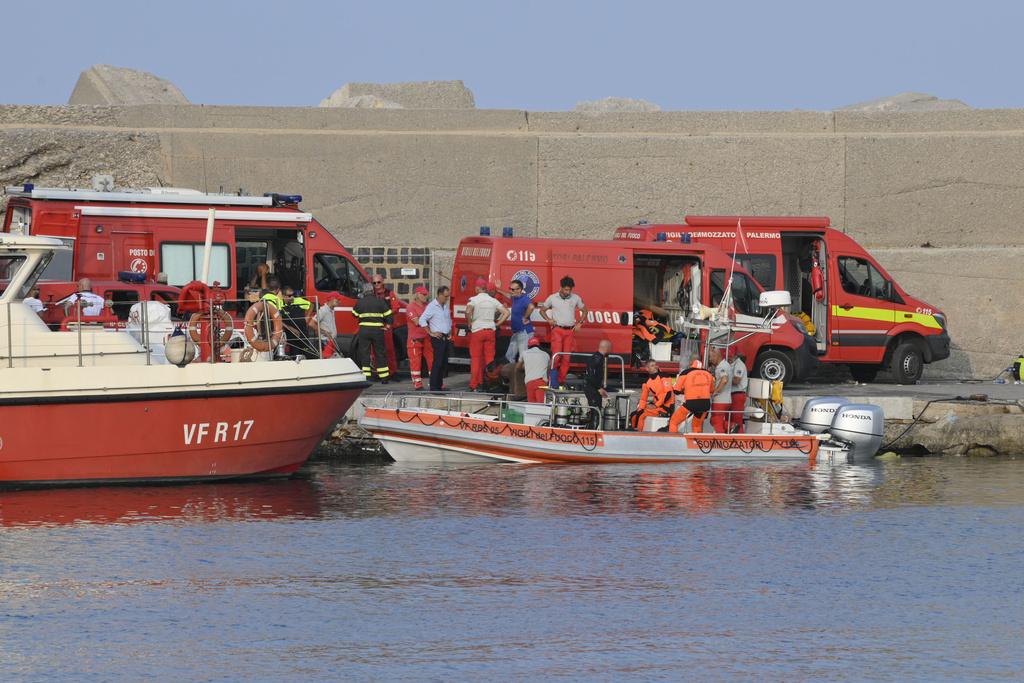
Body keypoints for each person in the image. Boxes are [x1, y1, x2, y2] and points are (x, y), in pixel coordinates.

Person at [539, 275, 586, 388]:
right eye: (566, 289)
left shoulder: (575, 298)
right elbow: (542, 310)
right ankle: (552, 380)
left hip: (570, 331)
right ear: (561, 287)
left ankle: (561, 381)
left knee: (566, 358)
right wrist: (548, 320)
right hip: (557, 330)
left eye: (569, 289)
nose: (568, 291)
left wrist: (580, 323)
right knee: (556, 356)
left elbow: (585, 311)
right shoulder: (552, 298)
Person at [465, 277, 510, 391]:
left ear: (477, 289)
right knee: (489, 359)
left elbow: (468, 311)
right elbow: (506, 312)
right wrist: (497, 324)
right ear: (485, 289)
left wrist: (470, 322)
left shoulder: (474, 299)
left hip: (477, 331)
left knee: (476, 359)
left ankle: (474, 385)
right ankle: (489, 383)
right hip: (490, 331)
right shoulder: (493, 300)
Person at [353, 283, 392, 383]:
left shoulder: (360, 302)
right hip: (377, 330)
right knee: (380, 353)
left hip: (364, 330)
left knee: (364, 353)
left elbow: (354, 314)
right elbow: (388, 314)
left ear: (364, 291)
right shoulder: (380, 301)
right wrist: (387, 326)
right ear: (372, 290)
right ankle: (384, 377)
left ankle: (367, 376)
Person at [494, 278, 535, 363]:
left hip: (524, 332)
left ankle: (523, 375)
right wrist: (498, 290)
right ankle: (512, 374)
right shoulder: (515, 297)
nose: (511, 291)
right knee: (509, 356)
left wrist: (526, 317)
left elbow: (531, 307)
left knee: (522, 358)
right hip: (517, 332)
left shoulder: (524, 298)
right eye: (510, 288)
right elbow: (508, 295)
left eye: (512, 289)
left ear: (519, 290)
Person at [669, 357, 715, 433]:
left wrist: (684, 391)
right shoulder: (708, 374)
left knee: (674, 422)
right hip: (705, 404)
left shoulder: (685, 372)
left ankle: (673, 442)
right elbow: (712, 390)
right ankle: (697, 443)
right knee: (697, 425)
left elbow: (676, 390)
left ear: (691, 365)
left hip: (691, 403)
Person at [420, 285, 452, 391]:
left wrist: (449, 331)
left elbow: (447, 320)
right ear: (439, 295)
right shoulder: (432, 306)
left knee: (443, 363)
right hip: (437, 338)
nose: (447, 298)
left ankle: (439, 385)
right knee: (437, 362)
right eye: (445, 296)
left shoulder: (445, 306)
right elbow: (422, 320)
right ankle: (434, 386)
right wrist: (430, 332)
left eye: (448, 296)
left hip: (446, 337)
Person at [630, 359, 676, 431]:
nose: (655, 367)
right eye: (652, 366)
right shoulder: (647, 382)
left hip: (666, 407)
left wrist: (655, 405)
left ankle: (639, 434)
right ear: (647, 369)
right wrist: (640, 409)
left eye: (655, 365)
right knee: (634, 414)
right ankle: (633, 431)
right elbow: (643, 399)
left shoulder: (664, 376)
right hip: (657, 406)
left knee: (642, 415)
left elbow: (668, 394)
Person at [372, 274, 403, 377]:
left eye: (378, 282)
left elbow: (396, 307)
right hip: (375, 324)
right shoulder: (371, 294)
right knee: (375, 350)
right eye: (374, 283)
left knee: (389, 349)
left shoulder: (389, 293)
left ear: (383, 282)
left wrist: (385, 313)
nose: (376, 284)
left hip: (386, 325)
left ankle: (392, 372)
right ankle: (378, 372)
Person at [405, 286, 434, 389]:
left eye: (426, 294)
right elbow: (417, 321)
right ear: (417, 294)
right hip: (415, 339)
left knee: (432, 361)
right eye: (423, 294)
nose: (425, 296)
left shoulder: (428, 306)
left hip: (427, 337)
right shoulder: (410, 307)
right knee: (415, 363)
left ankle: (434, 383)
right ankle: (417, 384)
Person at [280, 287, 317, 358]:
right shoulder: (279, 304)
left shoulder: (298, 300)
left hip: (303, 332)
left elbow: (311, 305)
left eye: (293, 295)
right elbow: (277, 319)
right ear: (284, 296)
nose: (292, 297)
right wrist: (290, 328)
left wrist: (307, 317)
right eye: (290, 296)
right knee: (295, 355)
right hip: (291, 335)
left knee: (307, 352)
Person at [583, 339, 612, 428]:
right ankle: (591, 433)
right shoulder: (597, 358)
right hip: (592, 388)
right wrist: (599, 388)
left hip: (592, 387)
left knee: (595, 412)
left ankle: (591, 430)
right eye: (610, 348)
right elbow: (591, 375)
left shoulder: (597, 357)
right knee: (595, 413)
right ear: (606, 348)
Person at [520, 337, 550, 403]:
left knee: (531, 405)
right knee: (541, 404)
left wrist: (525, 367)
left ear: (528, 346)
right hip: (541, 382)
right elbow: (548, 369)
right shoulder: (546, 355)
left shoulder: (524, 353)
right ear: (538, 345)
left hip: (530, 382)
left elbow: (518, 366)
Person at [710, 348, 732, 433]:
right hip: (727, 400)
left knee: (716, 422)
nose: (711, 360)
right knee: (715, 421)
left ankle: (720, 439)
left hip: (720, 400)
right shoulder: (726, 365)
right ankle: (731, 426)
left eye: (711, 357)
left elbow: (724, 380)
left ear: (717, 355)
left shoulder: (721, 367)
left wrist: (716, 391)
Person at [730, 351, 749, 434]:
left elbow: (736, 380)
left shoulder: (739, 365)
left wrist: (723, 379)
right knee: (730, 419)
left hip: (737, 394)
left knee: (737, 420)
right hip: (733, 395)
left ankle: (740, 439)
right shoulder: (733, 364)